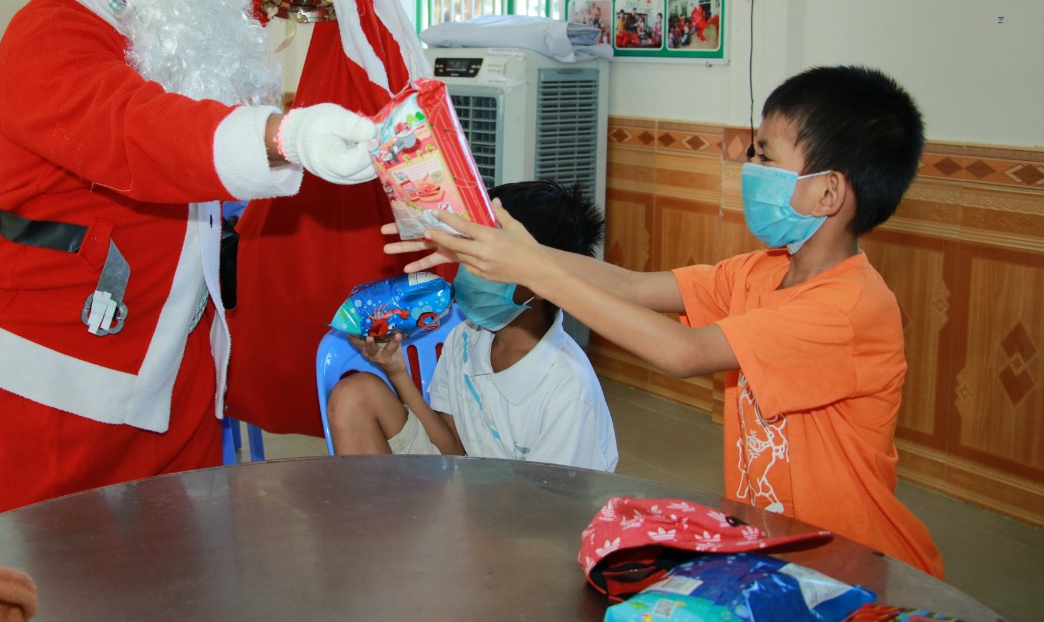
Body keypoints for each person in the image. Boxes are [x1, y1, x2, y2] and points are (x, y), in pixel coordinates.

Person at [0, 0, 378, 529]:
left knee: (175, 580)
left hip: (180, 364)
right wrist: (281, 133)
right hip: (65, 380)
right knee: (39, 578)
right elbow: (139, 128)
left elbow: (214, 14)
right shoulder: (45, 40)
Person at [387, 66, 944, 578]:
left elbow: (686, 353)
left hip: (850, 558)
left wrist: (535, 271)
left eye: (767, 158)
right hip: (772, 546)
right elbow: (630, 285)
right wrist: (496, 249)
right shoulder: (760, 272)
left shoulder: (845, 309)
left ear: (828, 191)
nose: (750, 169)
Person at [332, 181, 618, 471]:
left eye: (487, 259)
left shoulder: (568, 391)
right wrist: (397, 371)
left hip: (530, 507)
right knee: (353, 396)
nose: (467, 268)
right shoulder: (466, 337)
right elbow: (452, 449)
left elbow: (548, 507)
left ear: (545, 282)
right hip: (467, 484)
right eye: (468, 250)